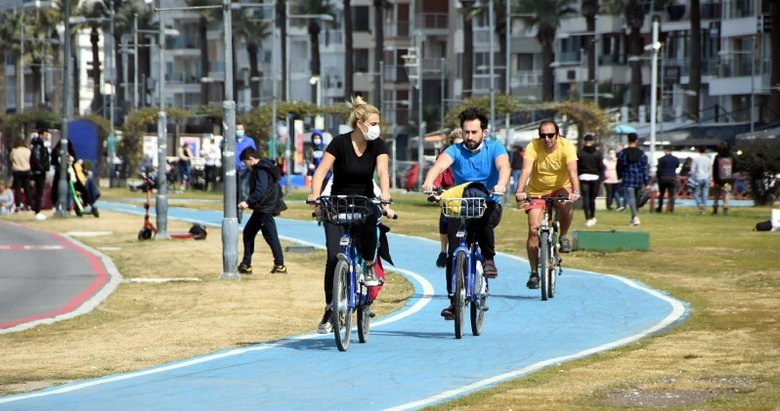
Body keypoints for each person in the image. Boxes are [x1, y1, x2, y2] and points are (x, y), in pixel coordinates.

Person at [308, 95, 394, 334]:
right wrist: (316, 199)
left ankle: (367, 264)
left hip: (364, 201)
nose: (377, 128)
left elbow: (383, 172)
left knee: (370, 220)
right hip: (337, 203)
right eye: (374, 123)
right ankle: (329, 309)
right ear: (360, 123)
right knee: (334, 256)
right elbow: (320, 172)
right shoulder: (339, 143)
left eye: (378, 124)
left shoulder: (378, 145)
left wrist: (385, 194)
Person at [422, 107, 510, 319]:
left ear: (484, 133)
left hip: (488, 202)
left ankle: (488, 258)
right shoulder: (455, 150)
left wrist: (501, 184)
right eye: (466, 132)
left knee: (484, 217)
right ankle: (454, 301)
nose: (469, 136)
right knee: (454, 253)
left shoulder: (495, 148)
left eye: (474, 132)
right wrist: (428, 182)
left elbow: (504, 167)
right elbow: (439, 166)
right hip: (461, 205)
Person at [514, 120, 580, 289]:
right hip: (537, 190)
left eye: (551, 135)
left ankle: (563, 236)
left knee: (565, 205)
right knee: (533, 229)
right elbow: (526, 170)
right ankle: (534, 272)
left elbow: (572, 171)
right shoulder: (533, 147)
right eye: (543, 135)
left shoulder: (567, 147)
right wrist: (520, 190)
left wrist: (576, 192)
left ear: (557, 135)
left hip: (560, 187)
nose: (547, 139)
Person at [237, 147, 286, 275]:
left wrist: (247, 202)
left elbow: (261, 190)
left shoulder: (261, 170)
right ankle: (246, 264)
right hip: (263, 207)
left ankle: (280, 265)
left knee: (271, 236)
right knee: (248, 233)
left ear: (251, 159)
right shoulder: (266, 166)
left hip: (265, 208)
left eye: (245, 162)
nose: (245, 165)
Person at [433, 128, 463, 267]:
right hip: (450, 198)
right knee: (444, 217)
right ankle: (443, 250)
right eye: (456, 144)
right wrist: (435, 189)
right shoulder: (445, 157)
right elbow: (438, 173)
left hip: (469, 197)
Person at [617, 133, 650, 226]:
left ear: (628, 140)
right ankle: (634, 217)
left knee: (631, 198)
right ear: (636, 141)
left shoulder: (622, 153)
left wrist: (619, 177)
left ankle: (635, 217)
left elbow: (619, 166)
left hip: (627, 178)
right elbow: (644, 169)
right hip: (639, 179)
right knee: (636, 199)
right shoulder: (642, 154)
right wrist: (646, 181)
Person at [577, 134, 604, 226]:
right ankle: (592, 216)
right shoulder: (597, 153)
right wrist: (601, 178)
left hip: (583, 176)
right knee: (592, 199)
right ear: (592, 141)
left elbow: (577, 166)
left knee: (586, 198)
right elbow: (601, 167)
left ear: (584, 141)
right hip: (595, 177)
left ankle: (587, 218)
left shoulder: (580, 153)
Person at [30, 129, 51, 220]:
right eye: (46, 134)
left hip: (40, 171)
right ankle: (37, 211)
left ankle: (38, 211)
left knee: (40, 191)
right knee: (39, 192)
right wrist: (42, 168)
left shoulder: (41, 145)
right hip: (39, 172)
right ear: (41, 134)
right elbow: (36, 158)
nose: (47, 136)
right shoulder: (38, 146)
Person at [655, 144, 680, 213]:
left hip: (663, 178)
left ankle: (659, 208)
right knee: (671, 195)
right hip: (672, 178)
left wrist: (658, 177)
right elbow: (677, 166)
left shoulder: (661, 159)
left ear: (665, 150)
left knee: (661, 194)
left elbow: (659, 170)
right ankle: (671, 209)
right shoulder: (675, 159)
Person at [711, 141, 734, 215]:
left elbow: (715, 169)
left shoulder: (717, 157)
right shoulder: (731, 157)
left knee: (716, 195)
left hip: (718, 179)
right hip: (728, 179)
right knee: (726, 194)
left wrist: (714, 179)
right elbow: (734, 168)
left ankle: (715, 208)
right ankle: (725, 207)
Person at [10, 139, 32, 212]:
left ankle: (18, 206)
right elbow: (30, 160)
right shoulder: (27, 150)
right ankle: (28, 205)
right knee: (27, 189)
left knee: (18, 189)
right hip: (26, 170)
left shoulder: (14, 150)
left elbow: (11, 159)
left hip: (17, 171)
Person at [690, 146, 712, 214]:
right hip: (706, 177)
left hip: (698, 177)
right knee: (705, 193)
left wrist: (693, 177)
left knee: (696, 193)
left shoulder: (696, 159)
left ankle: (699, 204)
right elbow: (710, 169)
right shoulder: (708, 159)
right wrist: (710, 178)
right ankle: (703, 209)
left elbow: (692, 170)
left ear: (698, 151)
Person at [603, 147, 624, 211]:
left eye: (613, 153)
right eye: (610, 153)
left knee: (614, 193)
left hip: (615, 179)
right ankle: (609, 206)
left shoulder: (617, 161)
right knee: (609, 192)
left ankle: (616, 205)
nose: (611, 154)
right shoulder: (605, 161)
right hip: (607, 180)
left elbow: (620, 169)